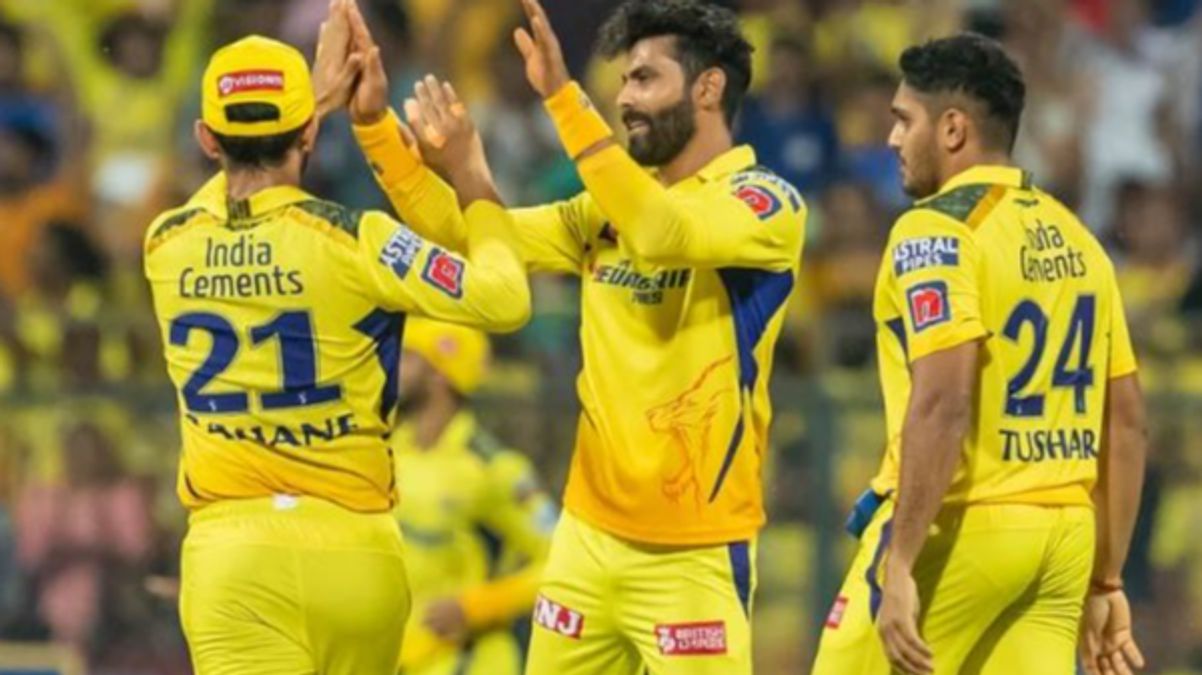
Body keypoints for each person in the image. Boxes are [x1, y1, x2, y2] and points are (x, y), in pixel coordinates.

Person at [337, 0, 807, 671]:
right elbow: (473, 237)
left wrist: (563, 98)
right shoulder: (604, 211)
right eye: (622, 82)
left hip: (692, 552)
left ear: (708, 87)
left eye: (644, 78)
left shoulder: (763, 203)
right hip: (584, 540)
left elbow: (664, 233)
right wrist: (378, 131)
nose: (625, 99)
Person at [142, 18, 530, 673]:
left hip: (231, 558)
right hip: (356, 555)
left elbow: (226, 198)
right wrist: (469, 174)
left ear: (206, 138)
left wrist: (312, 106)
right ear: (308, 136)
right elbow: (506, 299)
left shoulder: (165, 243)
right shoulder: (358, 239)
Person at [810, 33, 1147, 675]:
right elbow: (1127, 420)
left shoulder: (934, 230)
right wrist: (1107, 578)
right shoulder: (1080, 238)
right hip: (1063, 540)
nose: (892, 139)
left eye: (904, 120)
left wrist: (899, 562)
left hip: (964, 525)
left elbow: (943, 401)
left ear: (952, 129)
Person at [392, 317, 555, 675]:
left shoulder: (495, 468)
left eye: (408, 357)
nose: (392, 368)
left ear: (439, 374)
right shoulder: (388, 452)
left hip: (467, 662)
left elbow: (561, 564)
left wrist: (476, 606)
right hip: (398, 659)